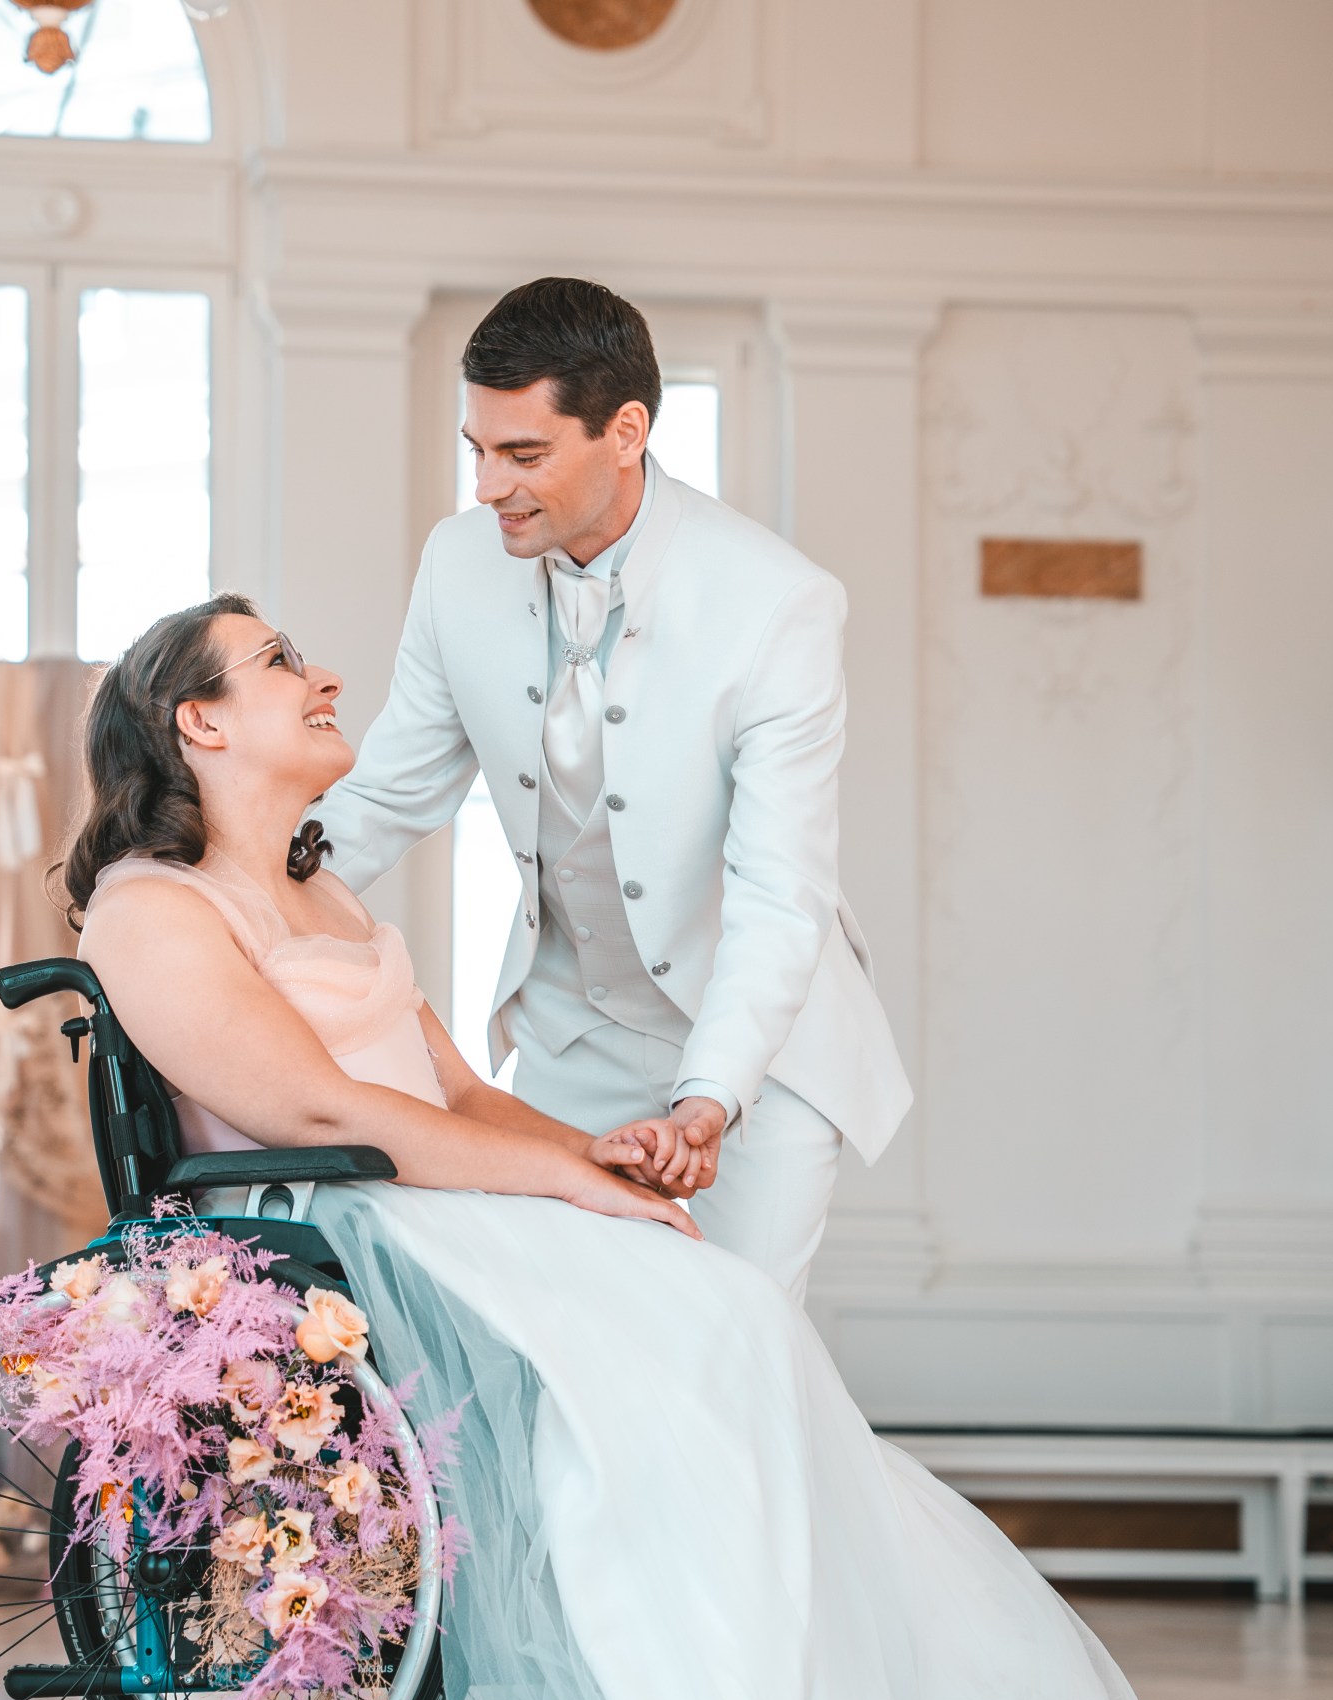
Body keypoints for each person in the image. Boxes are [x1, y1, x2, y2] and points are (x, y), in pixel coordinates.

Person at [65, 596, 1198, 1700]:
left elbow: (452, 1094)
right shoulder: (151, 907)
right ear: (199, 720)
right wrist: (555, 1185)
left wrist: (598, 1161)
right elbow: (317, 1111)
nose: (326, 678)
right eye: (280, 665)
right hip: (330, 1222)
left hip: (417, 1194)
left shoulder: (320, 890)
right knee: (692, 1346)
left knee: (734, 1323)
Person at [318, 277, 912, 1303]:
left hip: (753, 1064)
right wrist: (224, 894)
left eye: (524, 454)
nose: (487, 487)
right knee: (572, 1357)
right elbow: (389, 793)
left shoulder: (777, 604)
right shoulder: (456, 565)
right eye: (477, 449)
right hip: (568, 1039)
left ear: (625, 430)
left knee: (729, 1351)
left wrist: (705, 1099)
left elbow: (778, 893)